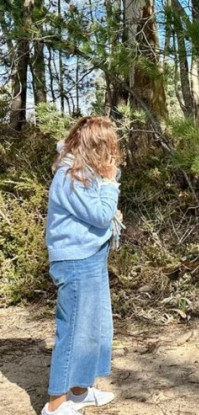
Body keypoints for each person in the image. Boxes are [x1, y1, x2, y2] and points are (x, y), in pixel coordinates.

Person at [43, 116, 123, 415]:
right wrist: (110, 182)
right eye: (109, 145)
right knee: (75, 330)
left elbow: (97, 215)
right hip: (75, 261)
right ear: (96, 145)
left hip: (89, 256)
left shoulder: (82, 171)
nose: (113, 152)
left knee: (94, 328)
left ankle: (78, 392)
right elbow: (100, 215)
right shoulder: (70, 174)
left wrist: (109, 206)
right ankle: (56, 404)